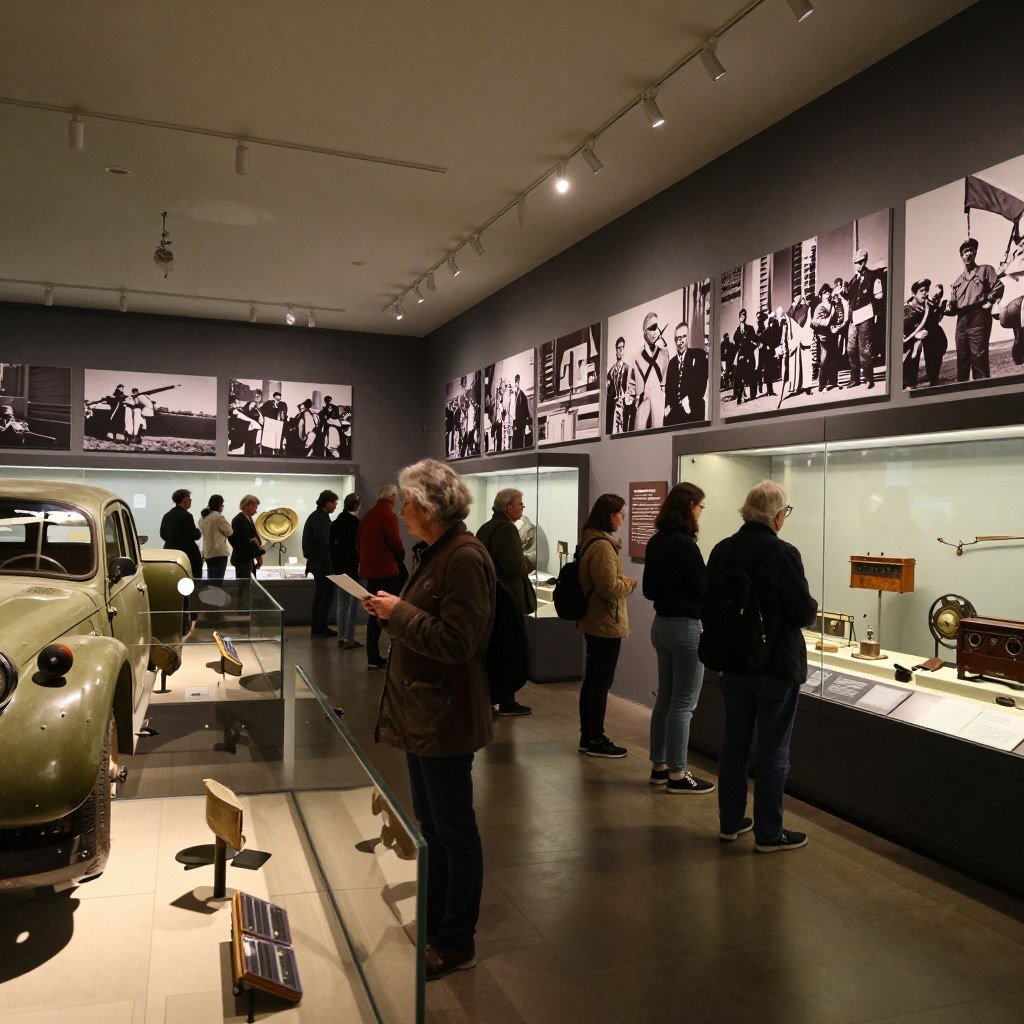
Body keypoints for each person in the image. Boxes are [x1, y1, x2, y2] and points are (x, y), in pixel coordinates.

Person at [363, 458, 495, 981]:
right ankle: (439, 924)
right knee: (433, 829)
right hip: (426, 713)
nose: (402, 511)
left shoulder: (463, 558)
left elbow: (459, 642)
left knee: (454, 832)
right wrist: (395, 612)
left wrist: (400, 614)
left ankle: (456, 940)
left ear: (432, 508)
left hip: (445, 716)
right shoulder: (438, 553)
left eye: (409, 503)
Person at [703, 481, 818, 852]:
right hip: (775, 665)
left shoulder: (722, 550)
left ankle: (731, 821)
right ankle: (770, 833)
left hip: (734, 663)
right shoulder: (783, 553)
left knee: (734, 743)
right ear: (777, 515)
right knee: (773, 750)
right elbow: (803, 612)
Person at [643, 482, 714, 793]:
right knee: (684, 703)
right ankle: (678, 774)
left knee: (667, 699)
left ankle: (659, 767)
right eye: (700, 507)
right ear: (689, 508)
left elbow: (648, 590)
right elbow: (704, 589)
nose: (701, 513)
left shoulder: (656, 542)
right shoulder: (686, 546)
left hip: (661, 625)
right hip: (686, 628)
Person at [577, 493, 637, 757]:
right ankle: (596, 739)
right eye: (620, 513)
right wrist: (630, 584)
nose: (622, 519)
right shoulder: (602, 546)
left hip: (595, 620)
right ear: (609, 514)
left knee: (592, 680)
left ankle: (588, 735)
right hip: (604, 622)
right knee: (600, 682)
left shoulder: (591, 540)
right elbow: (609, 588)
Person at [475, 488, 534, 717]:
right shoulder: (506, 529)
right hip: (506, 599)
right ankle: (506, 699)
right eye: (520, 504)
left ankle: (493, 696)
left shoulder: (487, 527)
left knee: (497, 649)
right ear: (509, 507)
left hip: (492, 596)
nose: (522, 508)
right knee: (508, 650)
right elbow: (515, 566)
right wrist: (529, 563)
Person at [358, 483, 406, 669]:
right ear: (392, 497)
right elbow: (395, 543)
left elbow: (358, 543)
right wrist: (400, 557)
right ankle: (395, 655)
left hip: (370, 571)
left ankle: (372, 656)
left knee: (374, 614)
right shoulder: (388, 515)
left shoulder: (368, 515)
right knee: (391, 613)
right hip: (387, 571)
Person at [946, 237, 1003, 381]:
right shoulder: (957, 282)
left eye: (972, 250)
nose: (969, 254)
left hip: (978, 316)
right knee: (962, 359)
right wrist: (946, 308)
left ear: (976, 252)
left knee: (979, 358)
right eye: (965, 252)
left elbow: (998, 286)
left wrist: (990, 301)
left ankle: (983, 394)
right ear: (961, 256)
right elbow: (953, 306)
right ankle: (963, 395)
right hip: (961, 321)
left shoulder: (985, 270)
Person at [302, 488, 338, 636]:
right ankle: (319, 627)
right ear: (327, 502)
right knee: (325, 594)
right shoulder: (320, 517)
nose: (335, 506)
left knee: (322, 594)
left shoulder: (318, 516)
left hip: (319, 561)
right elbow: (323, 541)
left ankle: (320, 626)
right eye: (334, 503)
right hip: (321, 562)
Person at [847, 249, 884, 389]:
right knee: (851, 349)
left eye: (861, 262)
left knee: (865, 349)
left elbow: (879, 299)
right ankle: (854, 378)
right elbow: (850, 299)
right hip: (853, 318)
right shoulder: (853, 281)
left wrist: (872, 313)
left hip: (865, 317)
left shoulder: (873, 276)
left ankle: (868, 378)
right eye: (856, 262)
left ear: (865, 261)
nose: (858, 265)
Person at [331, 493, 363, 648]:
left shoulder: (336, 522)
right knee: (352, 605)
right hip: (353, 568)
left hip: (339, 568)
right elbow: (359, 548)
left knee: (341, 603)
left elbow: (332, 547)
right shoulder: (357, 523)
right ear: (357, 506)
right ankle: (349, 638)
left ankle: (340, 636)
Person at [631, 313, 668, 429]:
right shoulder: (636, 355)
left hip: (659, 399)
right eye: (651, 329)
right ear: (644, 332)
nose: (655, 332)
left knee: (658, 433)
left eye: (656, 328)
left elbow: (666, 378)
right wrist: (634, 400)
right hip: (642, 399)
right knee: (638, 433)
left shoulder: (664, 353)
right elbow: (631, 383)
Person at [159, 488, 202, 579]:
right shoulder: (186, 515)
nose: (190, 500)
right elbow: (193, 534)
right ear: (184, 499)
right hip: (186, 554)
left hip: (169, 551)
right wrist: (198, 532)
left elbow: (162, 534)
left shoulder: (167, 515)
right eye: (189, 498)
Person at [229, 494, 265, 593]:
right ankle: (243, 607)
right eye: (255, 507)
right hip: (242, 559)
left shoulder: (247, 518)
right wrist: (259, 555)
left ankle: (247, 606)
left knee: (249, 587)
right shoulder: (239, 520)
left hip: (248, 558)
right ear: (247, 506)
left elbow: (254, 538)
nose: (256, 510)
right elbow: (247, 541)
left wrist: (258, 554)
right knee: (244, 588)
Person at [903, 279, 931, 389]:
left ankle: (911, 383)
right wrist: (915, 336)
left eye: (926, 290)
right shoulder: (906, 311)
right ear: (913, 294)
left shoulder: (923, 307)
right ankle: (907, 383)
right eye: (921, 290)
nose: (925, 293)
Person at [199, 493, 233, 583]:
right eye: (222, 505)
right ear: (219, 504)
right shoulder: (218, 517)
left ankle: (211, 597)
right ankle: (216, 597)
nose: (222, 507)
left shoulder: (203, 518)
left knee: (211, 580)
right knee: (217, 582)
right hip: (219, 554)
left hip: (208, 553)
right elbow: (229, 532)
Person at [922, 283, 949, 387]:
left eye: (939, 294)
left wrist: (941, 308)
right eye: (936, 293)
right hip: (928, 333)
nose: (937, 296)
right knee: (929, 357)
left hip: (936, 333)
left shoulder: (939, 304)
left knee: (937, 356)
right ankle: (932, 378)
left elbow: (938, 318)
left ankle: (934, 378)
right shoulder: (925, 302)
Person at [663, 322, 690, 426]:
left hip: (689, 412)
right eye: (678, 338)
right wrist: (668, 405)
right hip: (674, 412)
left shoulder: (694, 358)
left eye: (683, 337)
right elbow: (668, 388)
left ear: (687, 338)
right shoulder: (672, 363)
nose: (681, 341)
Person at [606, 336, 634, 434]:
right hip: (614, 407)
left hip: (625, 406)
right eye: (619, 348)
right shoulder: (611, 372)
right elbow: (609, 393)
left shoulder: (628, 369)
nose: (621, 350)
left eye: (622, 347)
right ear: (616, 350)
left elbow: (631, 389)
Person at [732, 309, 757, 404]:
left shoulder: (750, 328)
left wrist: (752, 348)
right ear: (739, 317)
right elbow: (736, 346)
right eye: (741, 315)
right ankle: (740, 396)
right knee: (738, 376)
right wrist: (739, 354)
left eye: (744, 315)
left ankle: (753, 394)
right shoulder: (736, 333)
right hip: (741, 356)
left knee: (751, 374)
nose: (743, 316)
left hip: (749, 355)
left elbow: (755, 340)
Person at [259, 391, 288, 455]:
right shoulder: (268, 403)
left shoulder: (282, 404)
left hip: (278, 427)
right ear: (273, 397)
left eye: (279, 398)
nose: (277, 400)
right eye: (276, 398)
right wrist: (271, 407)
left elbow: (284, 415)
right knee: (267, 445)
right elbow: (262, 411)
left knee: (277, 446)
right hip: (269, 426)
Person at [510, 374, 530, 449]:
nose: (515, 384)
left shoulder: (522, 395)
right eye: (515, 382)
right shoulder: (517, 395)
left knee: (520, 437)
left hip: (520, 420)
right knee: (517, 437)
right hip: (517, 420)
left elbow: (525, 408)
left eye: (516, 382)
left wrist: (526, 419)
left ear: (518, 383)